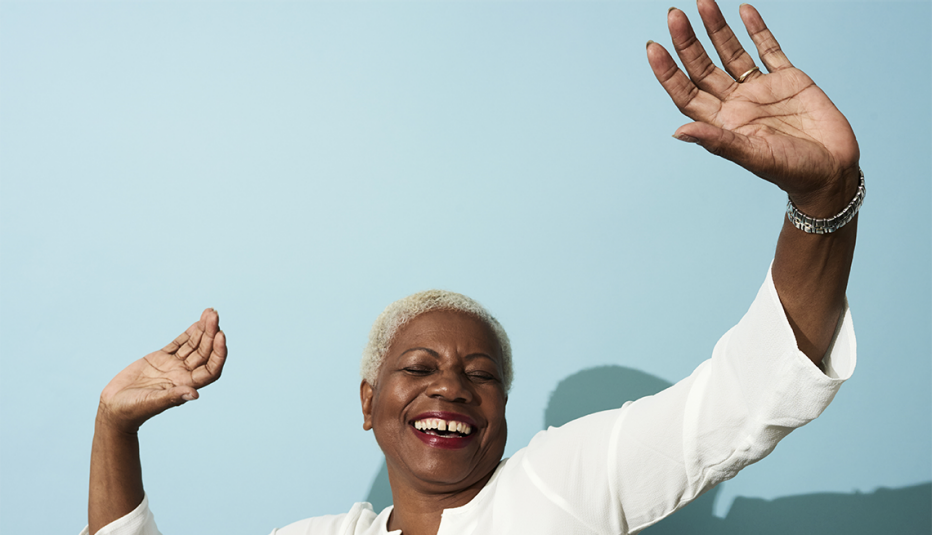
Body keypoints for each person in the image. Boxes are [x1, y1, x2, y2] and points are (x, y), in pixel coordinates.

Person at [83, 2, 861, 534]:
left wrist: (824, 196)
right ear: (368, 403)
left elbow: (748, 392)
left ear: (504, 415)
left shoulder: (562, 483)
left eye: (480, 373)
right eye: (418, 366)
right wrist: (114, 426)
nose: (450, 385)